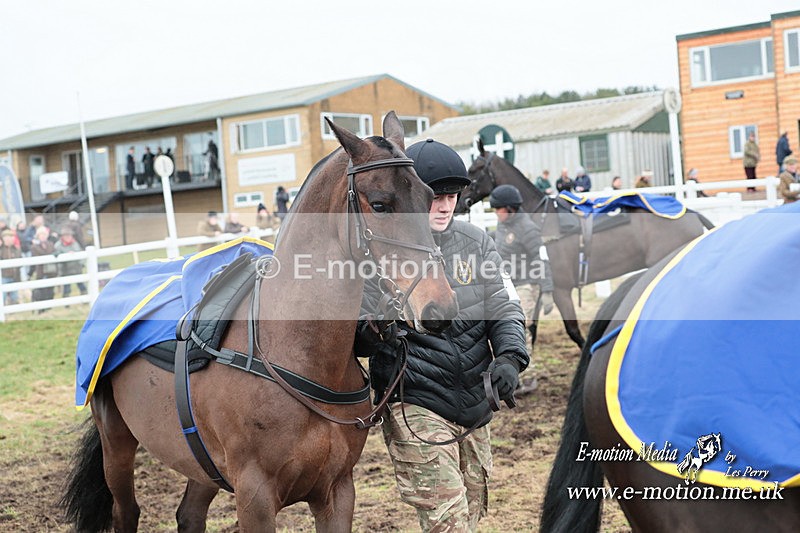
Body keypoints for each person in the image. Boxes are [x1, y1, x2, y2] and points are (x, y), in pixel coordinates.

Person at [354, 138, 528, 532]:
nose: (445, 204)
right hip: (415, 401)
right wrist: (378, 327)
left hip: (475, 399)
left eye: (452, 195)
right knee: (448, 523)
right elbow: (358, 340)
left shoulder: (476, 243)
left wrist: (510, 358)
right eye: (435, 195)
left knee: (470, 512)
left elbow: (505, 307)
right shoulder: (378, 252)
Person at [489, 184, 554, 395]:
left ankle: (529, 377)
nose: (495, 213)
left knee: (521, 330)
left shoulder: (528, 228)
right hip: (506, 284)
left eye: (498, 209)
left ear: (510, 208)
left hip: (526, 285)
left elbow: (541, 258)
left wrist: (547, 290)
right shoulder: (502, 226)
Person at [54, 227, 86, 298]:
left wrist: (81, 263)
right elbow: (57, 255)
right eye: (66, 235)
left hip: (76, 268)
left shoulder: (75, 243)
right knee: (67, 288)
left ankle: (85, 298)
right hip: (65, 269)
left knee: (81, 285)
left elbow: (80, 253)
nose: (68, 237)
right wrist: (66, 255)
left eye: (69, 235)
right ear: (62, 236)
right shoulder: (58, 245)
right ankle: (66, 302)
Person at [30, 226, 57, 309]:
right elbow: (36, 257)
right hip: (41, 271)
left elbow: (54, 252)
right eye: (40, 235)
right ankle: (42, 308)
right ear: (38, 236)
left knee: (50, 289)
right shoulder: (34, 247)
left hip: (51, 271)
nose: (42, 236)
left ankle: (50, 307)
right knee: (42, 289)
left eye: (44, 234)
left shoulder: (51, 244)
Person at [0, 228, 21, 305]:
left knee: (14, 297)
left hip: (14, 276)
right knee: (3, 296)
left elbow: (20, 261)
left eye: (11, 237)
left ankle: (14, 314)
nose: (9, 239)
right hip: (3, 276)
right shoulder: (1, 249)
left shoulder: (16, 249)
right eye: (7, 237)